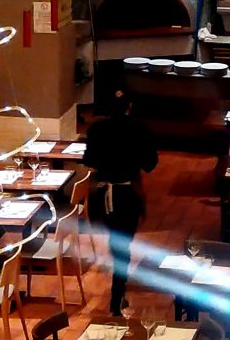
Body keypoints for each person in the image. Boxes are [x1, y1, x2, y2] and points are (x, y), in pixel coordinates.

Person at [80, 91, 158, 316]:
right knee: (123, 246)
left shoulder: (96, 129)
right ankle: (116, 298)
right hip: (127, 196)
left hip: (102, 196)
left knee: (117, 245)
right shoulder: (140, 129)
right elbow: (150, 164)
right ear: (129, 106)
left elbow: (89, 160)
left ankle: (118, 294)